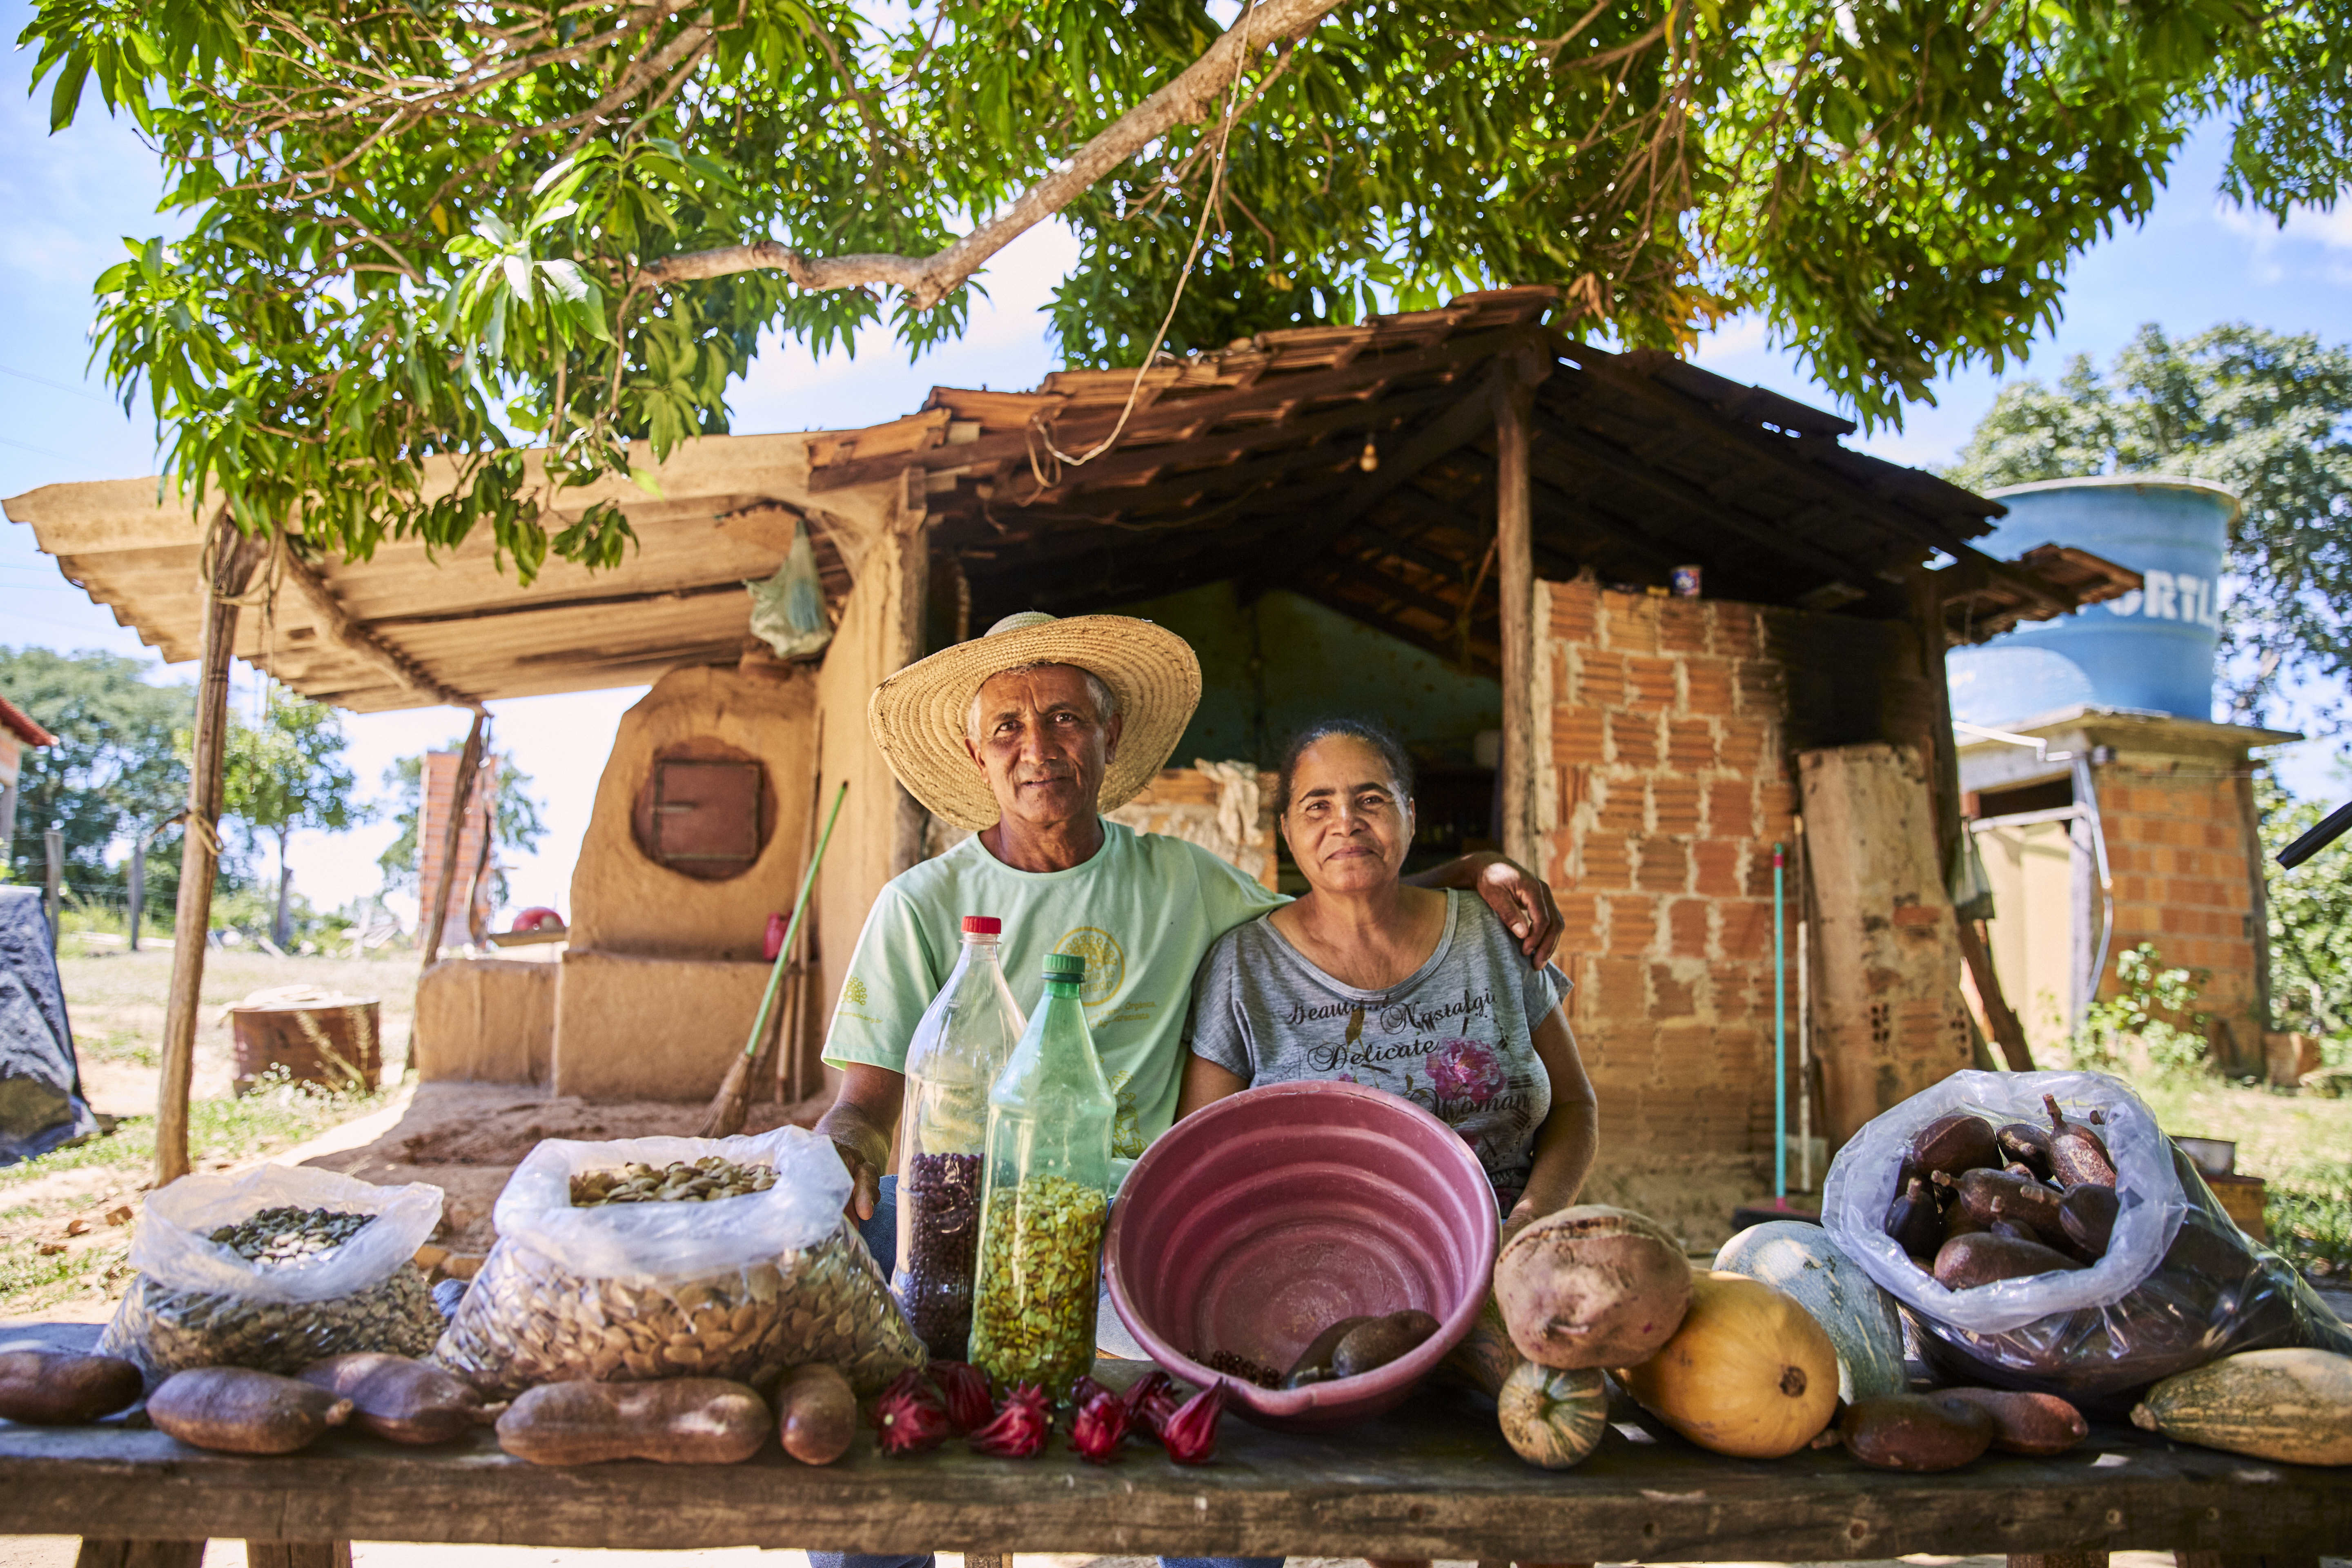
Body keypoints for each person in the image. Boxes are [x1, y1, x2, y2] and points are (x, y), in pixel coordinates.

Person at [807, 613, 1565, 1568]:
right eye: (1007, 727)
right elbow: (864, 1105)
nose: (1038, 749)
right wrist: (840, 1151)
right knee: (866, 1469)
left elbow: (1335, 902)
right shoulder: (920, 906)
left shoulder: (1183, 881)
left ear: (1109, 737)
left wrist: (1466, 878)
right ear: (974, 751)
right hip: (978, 1234)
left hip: (1141, 1241)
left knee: (1231, 1490)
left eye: (1066, 720)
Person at [1177, 717, 1598, 1247]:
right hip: (1323, 1267)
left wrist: (1530, 1225)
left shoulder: (1491, 934)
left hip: (1507, 1258)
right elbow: (1199, 1158)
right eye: (1318, 805)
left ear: (1411, 816)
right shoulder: (1244, 968)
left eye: (1372, 799)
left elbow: (1574, 1106)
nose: (1346, 822)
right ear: (1286, 830)